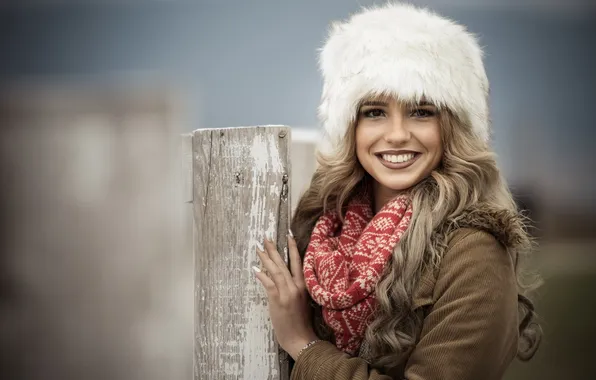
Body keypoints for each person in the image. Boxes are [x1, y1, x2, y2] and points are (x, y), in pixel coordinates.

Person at [253, 3, 541, 379]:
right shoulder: (324, 227)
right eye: (374, 112)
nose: (397, 134)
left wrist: (303, 345)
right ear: (350, 127)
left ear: (453, 127)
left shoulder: (474, 251)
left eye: (422, 111)